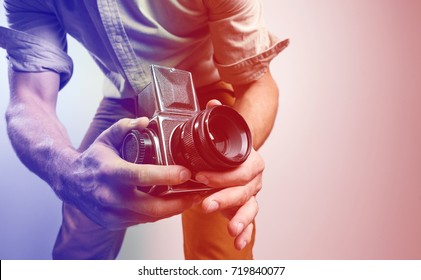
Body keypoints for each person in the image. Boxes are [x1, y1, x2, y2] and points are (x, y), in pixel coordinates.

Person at [0, 0, 288, 259]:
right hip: (127, 100)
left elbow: (256, 83)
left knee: (220, 246)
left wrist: (231, 157)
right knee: (80, 239)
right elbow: (29, 98)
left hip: (208, 104)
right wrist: (69, 172)